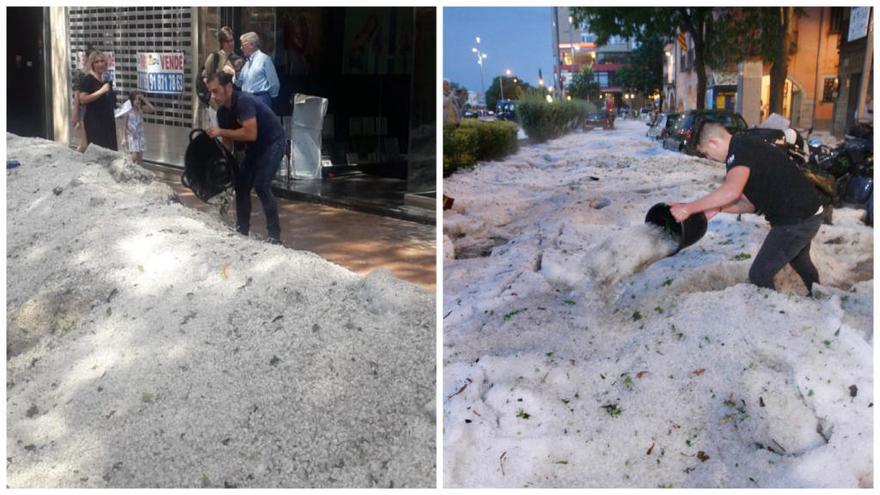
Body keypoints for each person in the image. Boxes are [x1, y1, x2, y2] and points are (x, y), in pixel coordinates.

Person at [668, 122, 824, 295]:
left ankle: (772, 312)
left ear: (713, 142)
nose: (709, 158)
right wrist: (718, 208)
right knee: (800, 261)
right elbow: (750, 205)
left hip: (797, 220)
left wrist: (688, 208)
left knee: (759, 274)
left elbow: (731, 191)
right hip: (807, 214)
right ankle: (820, 296)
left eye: (706, 153)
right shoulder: (744, 147)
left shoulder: (740, 149)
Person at [205, 71, 285, 244]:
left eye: (216, 91)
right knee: (241, 186)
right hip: (254, 149)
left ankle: (274, 236)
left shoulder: (244, 102)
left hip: (273, 143)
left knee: (262, 185)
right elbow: (228, 144)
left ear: (228, 87)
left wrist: (220, 131)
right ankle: (242, 230)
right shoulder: (222, 113)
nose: (213, 96)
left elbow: (251, 133)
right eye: (210, 92)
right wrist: (225, 168)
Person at [77, 50, 117, 151]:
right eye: (96, 62)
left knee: (110, 151)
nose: (100, 64)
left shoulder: (107, 79)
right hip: (95, 121)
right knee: (98, 152)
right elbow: (82, 99)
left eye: (102, 61)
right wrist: (101, 91)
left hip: (108, 120)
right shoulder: (88, 79)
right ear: (92, 64)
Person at [237, 32, 280, 109]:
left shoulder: (264, 59)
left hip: (261, 99)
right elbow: (239, 83)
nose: (240, 48)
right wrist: (237, 70)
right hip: (246, 99)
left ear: (251, 45)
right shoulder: (246, 63)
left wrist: (270, 99)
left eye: (243, 45)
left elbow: (274, 83)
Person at [124, 91, 155, 164]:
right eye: (135, 99)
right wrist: (124, 138)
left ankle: (137, 174)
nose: (137, 101)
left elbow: (152, 109)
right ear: (132, 100)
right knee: (133, 157)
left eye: (138, 99)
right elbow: (125, 125)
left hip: (140, 136)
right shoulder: (128, 111)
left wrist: (143, 98)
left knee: (140, 159)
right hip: (132, 136)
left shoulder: (141, 109)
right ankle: (128, 170)